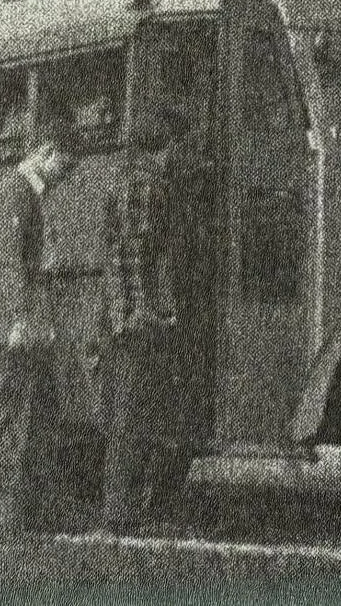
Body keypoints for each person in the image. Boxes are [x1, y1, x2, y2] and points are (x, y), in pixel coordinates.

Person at [0, 121, 98, 531]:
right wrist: (21, 315)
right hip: (13, 324)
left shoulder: (24, 194)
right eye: (65, 166)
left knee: (37, 411)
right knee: (6, 412)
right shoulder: (14, 193)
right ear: (45, 152)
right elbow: (7, 261)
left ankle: (31, 508)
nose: (65, 177)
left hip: (26, 322)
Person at [99, 110, 207, 530]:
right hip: (138, 321)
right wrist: (156, 314)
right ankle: (122, 515)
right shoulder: (144, 187)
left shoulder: (126, 181)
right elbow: (137, 258)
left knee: (133, 416)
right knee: (132, 417)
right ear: (163, 146)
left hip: (128, 319)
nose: (178, 154)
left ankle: (124, 512)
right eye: (175, 146)